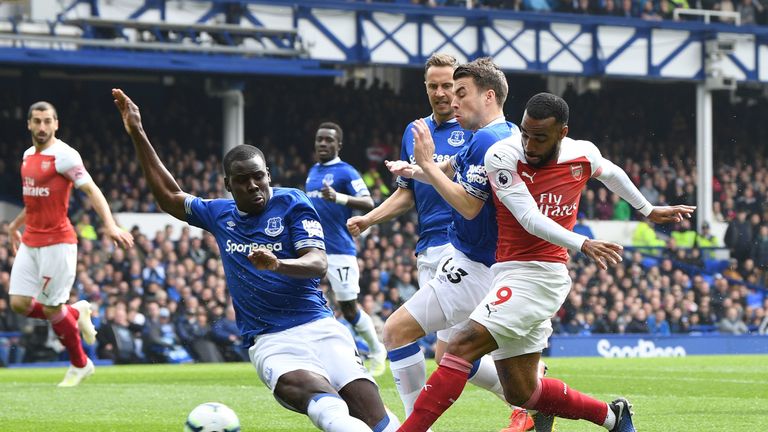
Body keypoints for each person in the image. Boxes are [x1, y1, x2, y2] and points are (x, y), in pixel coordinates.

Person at [398, 92, 696, 432]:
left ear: (562, 133)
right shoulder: (503, 155)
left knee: (460, 345)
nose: (529, 144)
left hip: (542, 275)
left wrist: (647, 209)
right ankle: (615, 418)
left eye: (539, 137)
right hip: (507, 272)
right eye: (525, 133)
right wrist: (582, 242)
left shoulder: (581, 153)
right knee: (523, 391)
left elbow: (610, 173)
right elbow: (528, 217)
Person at [113, 88, 399, 432]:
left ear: (268, 175)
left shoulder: (292, 202)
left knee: (377, 419)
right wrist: (138, 133)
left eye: (258, 176)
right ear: (228, 185)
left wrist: (277, 264)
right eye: (242, 180)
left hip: (321, 329)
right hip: (271, 342)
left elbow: (317, 263)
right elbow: (170, 197)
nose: (253, 185)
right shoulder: (218, 214)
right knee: (330, 410)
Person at [347, 54, 542, 432]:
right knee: (453, 356)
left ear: (470, 92)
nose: (442, 94)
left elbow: (468, 199)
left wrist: (428, 168)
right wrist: (372, 216)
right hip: (438, 247)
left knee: (425, 341)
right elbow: (409, 192)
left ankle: (526, 395)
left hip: (466, 252)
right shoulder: (417, 131)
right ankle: (533, 397)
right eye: (434, 86)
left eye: (450, 87)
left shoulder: (479, 129)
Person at [7, 101, 134, 386]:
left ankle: (80, 364)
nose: (42, 127)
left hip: (58, 243)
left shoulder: (64, 156)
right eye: (37, 121)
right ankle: (75, 312)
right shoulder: (27, 156)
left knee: (52, 308)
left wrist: (110, 224)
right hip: (31, 240)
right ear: (28, 123)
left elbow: (92, 189)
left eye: (47, 121)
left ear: (56, 124)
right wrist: (14, 225)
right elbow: (35, 199)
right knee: (18, 303)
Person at [305, 122, 387, 376]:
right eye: (319, 139)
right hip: (313, 250)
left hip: (340, 250)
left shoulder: (346, 172)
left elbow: (368, 201)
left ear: (338, 145)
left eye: (328, 140)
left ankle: (376, 349)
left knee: (349, 307)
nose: (323, 144)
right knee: (303, 300)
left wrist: (339, 198)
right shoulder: (312, 172)